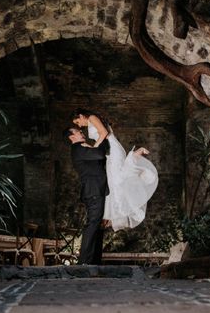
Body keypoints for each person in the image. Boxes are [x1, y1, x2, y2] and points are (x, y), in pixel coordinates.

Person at [71, 108, 158, 232]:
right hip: (109, 150)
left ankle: (136, 156)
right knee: (114, 181)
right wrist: (91, 147)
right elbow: (101, 139)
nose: (79, 125)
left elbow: (104, 133)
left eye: (78, 122)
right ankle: (122, 210)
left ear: (81, 116)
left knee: (118, 179)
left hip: (113, 149)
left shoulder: (91, 118)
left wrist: (93, 149)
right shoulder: (91, 120)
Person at [64, 126, 109, 265]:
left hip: (97, 190)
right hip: (93, 191)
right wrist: (102, 136)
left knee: (98, 225)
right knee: (92, 224)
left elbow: (100, 158)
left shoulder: (84, 147)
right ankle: (84, 262)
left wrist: (102, 141)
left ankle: (94, 261)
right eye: (78, 132)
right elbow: (100, 155)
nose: (82, 133)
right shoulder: (78, 149)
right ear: (71, 137)